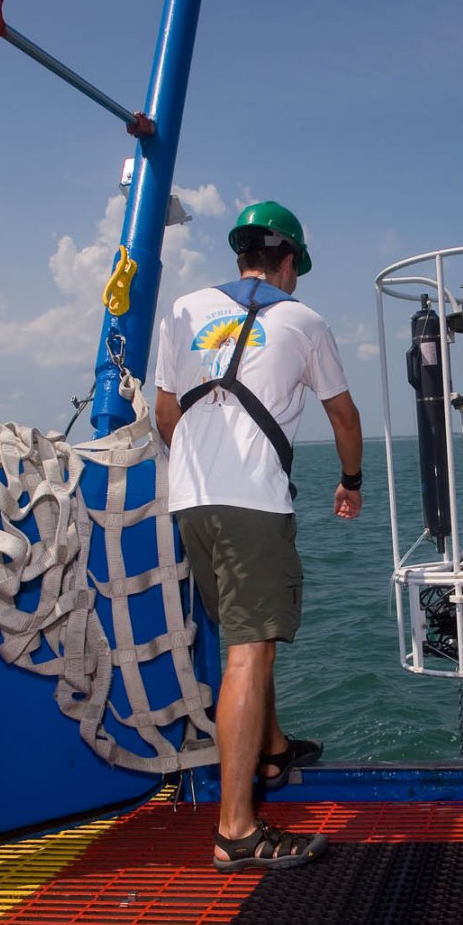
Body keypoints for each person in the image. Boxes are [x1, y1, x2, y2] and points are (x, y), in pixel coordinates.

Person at [155, 200, 363, 873]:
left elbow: (165, 414)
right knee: (249, 650)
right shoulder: (302, 320)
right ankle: (237, 829)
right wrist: (351, 480)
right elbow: (343, 414)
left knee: (246, 636)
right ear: (288, 260)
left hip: (190, 501)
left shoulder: (184, 310)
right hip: (252, 504)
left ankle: (271, 748)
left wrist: (198, 475)